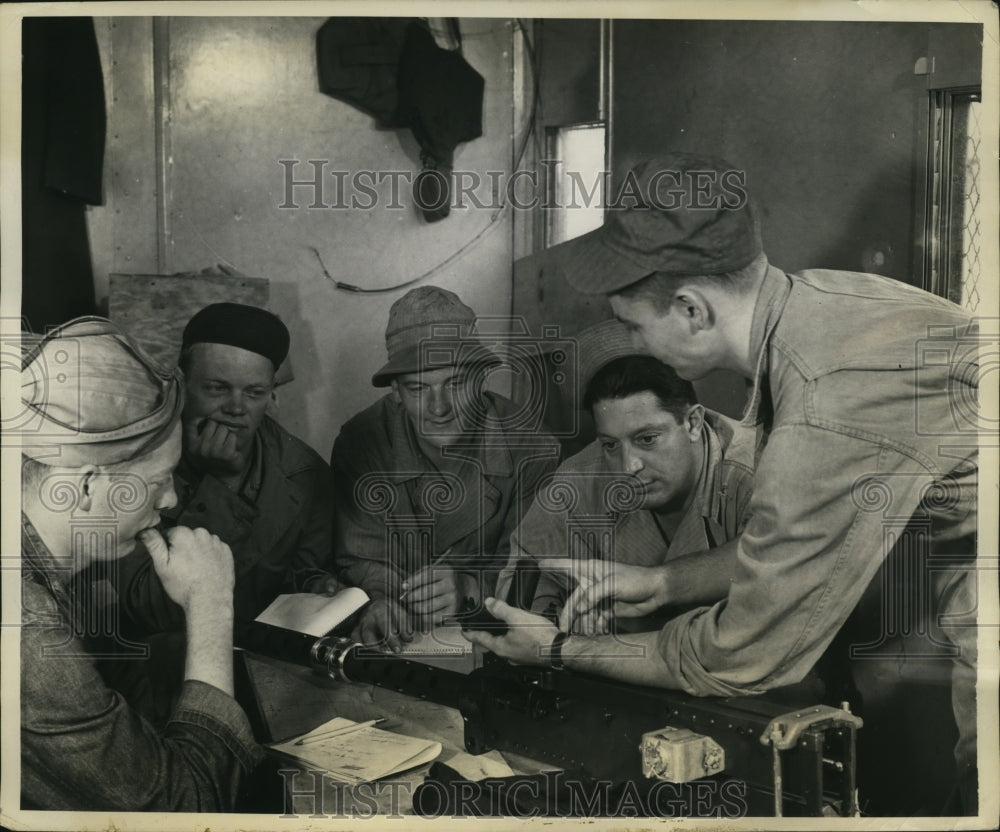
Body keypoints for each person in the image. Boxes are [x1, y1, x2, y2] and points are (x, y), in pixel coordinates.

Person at [462, 153, 979, 811]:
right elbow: (784, 546)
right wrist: (663, 582)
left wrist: (559, 648)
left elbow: (741, 657)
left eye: (632, 324)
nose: (632, 341)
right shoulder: (817, 302)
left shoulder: (826, 409)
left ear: (691, 309)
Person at [19, 317, 262, 810]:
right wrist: (210, 604)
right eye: (156, 482)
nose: (170, 499)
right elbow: (186, 808)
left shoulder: (71, 574)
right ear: (87, 487)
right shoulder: (29, 631)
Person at [332, 285, 561, 650]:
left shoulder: (532, 447)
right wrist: (380, 601)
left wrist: (471, 586)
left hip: (492, 642)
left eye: (455, 383)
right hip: (401, 645)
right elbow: (360, 555)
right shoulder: (363, 442)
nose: (439, 408)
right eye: (418, 388)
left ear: (481, 380)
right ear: (395, 392)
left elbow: (536, 569)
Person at [497, 319, 758, 633]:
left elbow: (776, 566)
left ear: (693, 423)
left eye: (647, 439)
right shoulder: (580, 479)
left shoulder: (759, 470)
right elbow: (523, 583)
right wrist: (557, 622)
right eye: (610, 444)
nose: (628, 466)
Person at [111, 303, 339, 632]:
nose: (236, 408)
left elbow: (303, 577)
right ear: (181, 383)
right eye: (217, 388)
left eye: (254, 393)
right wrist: (221, 486)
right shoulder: (130, 460)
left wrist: (319, 587)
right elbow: (149, 610)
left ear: (270, 393)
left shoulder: (305, 475)